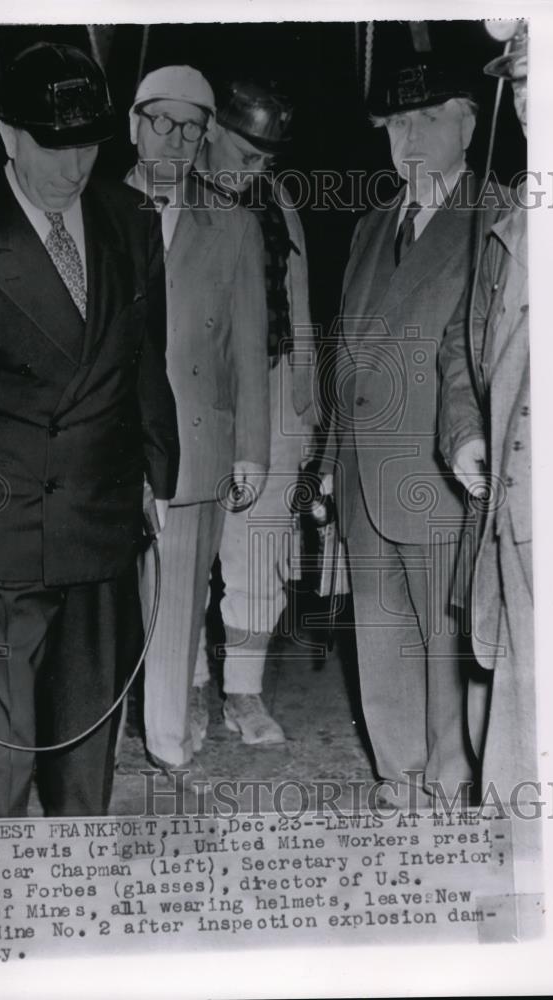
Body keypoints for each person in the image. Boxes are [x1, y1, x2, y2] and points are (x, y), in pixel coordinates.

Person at [0, 42, 179, 817]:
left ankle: (75, 873)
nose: (73, 169)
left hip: (100, 510)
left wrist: (157, 476)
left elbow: (142, 359)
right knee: (6, 732)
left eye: (88, 145)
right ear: (6, 137)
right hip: (1, 523)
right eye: (53, 147)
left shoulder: (129, 219)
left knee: (88, 726)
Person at [319, 59, 497, 806]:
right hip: (364, 473)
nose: (408, 138)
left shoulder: (496, 219)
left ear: (467, 122)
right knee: (381, 637)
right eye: (394, 125)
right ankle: (399, 777)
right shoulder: (370, 225)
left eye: (426, 119)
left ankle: (450, 782)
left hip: (441, 468)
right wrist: (330, 463)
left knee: (444, 641)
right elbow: (348, 348)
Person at [124, 67, 270, 781]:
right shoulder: (87, 206)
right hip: (99, 440)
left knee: (179, 604)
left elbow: (248, 347)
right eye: (162, 122)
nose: (176, 139)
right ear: (133, 124)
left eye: (192, 127)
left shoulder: (233, 224)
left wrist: (251, 452)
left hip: (195, 443)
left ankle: (167, 743)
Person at [191, 80, 317, 746]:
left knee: (259, 551)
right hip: (192, 397)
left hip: (268, 397)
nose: (254, 171)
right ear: (208, 131)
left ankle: (243, 692)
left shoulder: (279, 203)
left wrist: (306, 406)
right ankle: (182, 686)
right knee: (182, 555)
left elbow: (299, 312)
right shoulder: (169, 197)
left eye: (266, 160)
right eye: (244, 153)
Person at [439, 23, 535, 801]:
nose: (534, 103)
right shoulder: (509, 226)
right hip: (511, 519)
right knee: (510, 719)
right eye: (525, 83)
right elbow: (462, 341)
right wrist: (469, 428)